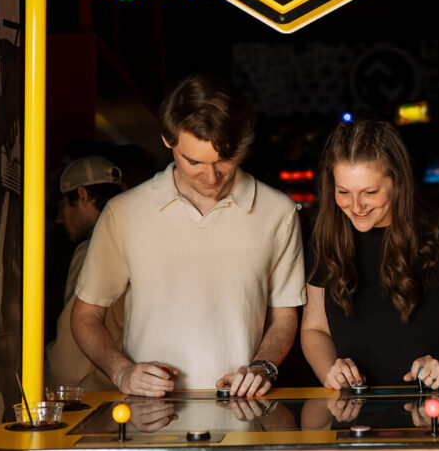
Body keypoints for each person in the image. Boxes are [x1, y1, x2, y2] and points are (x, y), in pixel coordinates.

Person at [71, 73, 306, 397]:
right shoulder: (123, 212)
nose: (211, 177)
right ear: (168, 140)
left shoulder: (277, 211)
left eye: (224, 160)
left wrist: (263, 366)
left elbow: (284, 314)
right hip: (149, 422)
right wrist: (122, 371)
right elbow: (85, 315)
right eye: (193, 161)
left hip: (242, 418)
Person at [300, 120, 439, 390]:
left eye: (370, 192)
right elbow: (315, 329)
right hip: (351, 417)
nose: (356, 206)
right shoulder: (325, 237)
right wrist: (330, 372)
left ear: (398, 182)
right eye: (343, 192)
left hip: (437, 415)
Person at [45, 156, 125, 389]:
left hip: (93, 396)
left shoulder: (92, 248)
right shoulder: (134, 239)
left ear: (82, 195)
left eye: (63, 206)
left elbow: (69, 359)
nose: (60, 219)